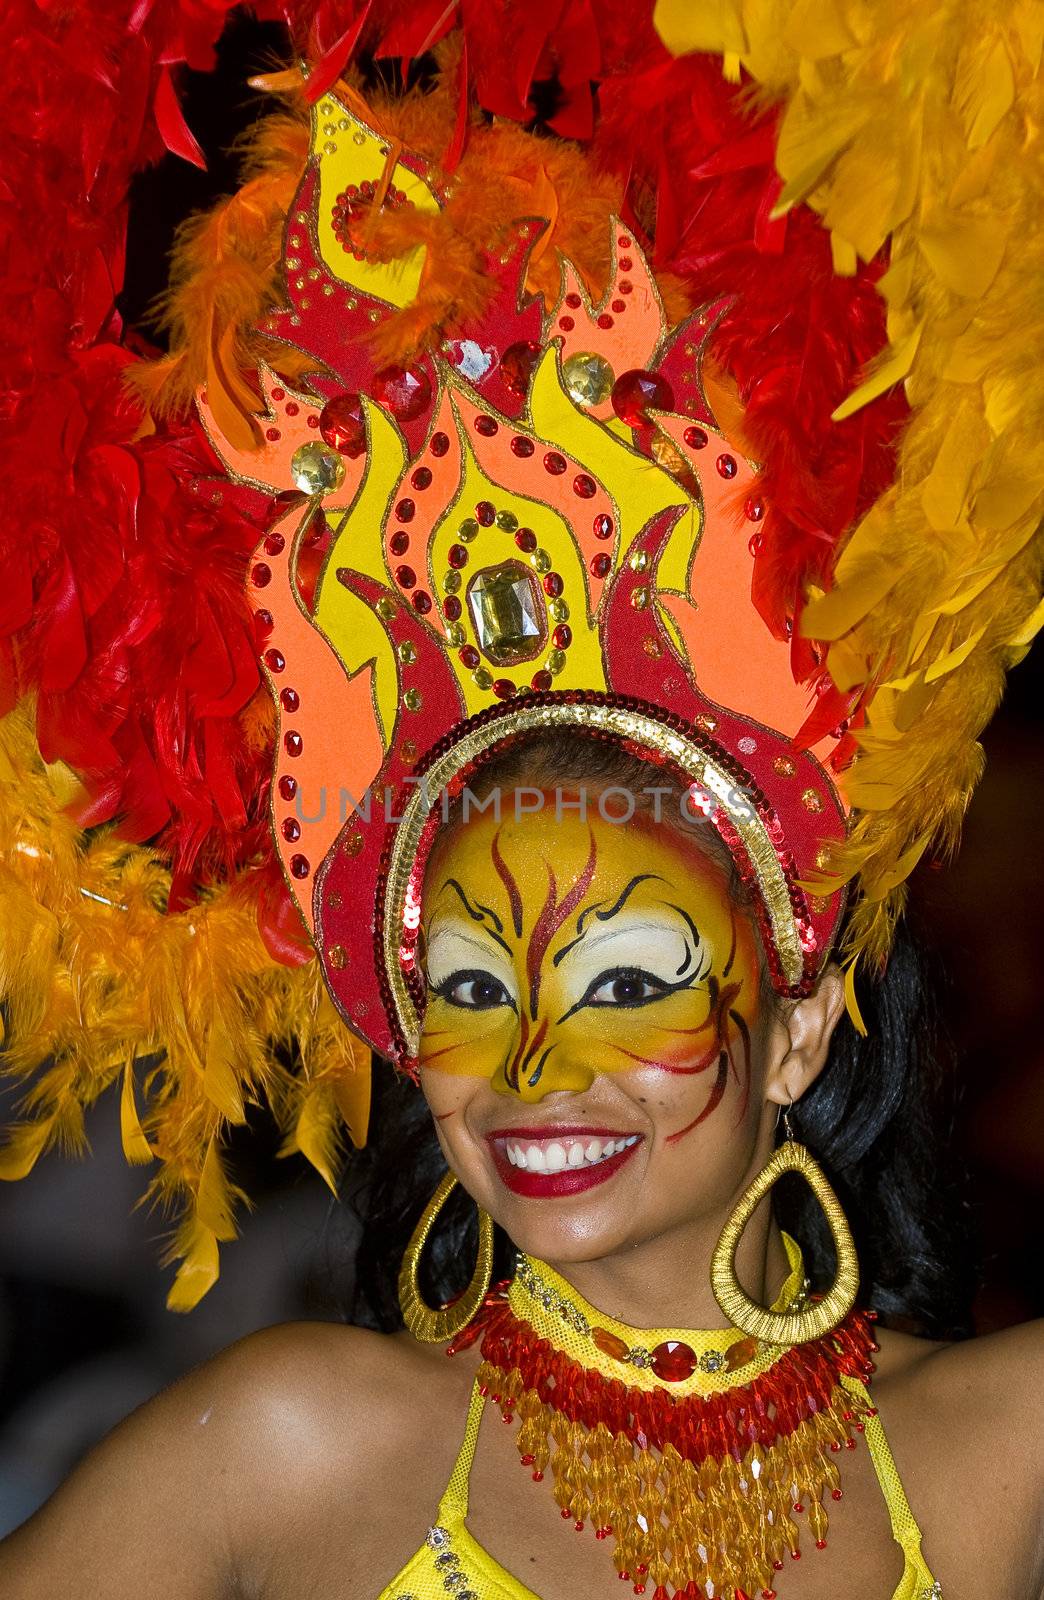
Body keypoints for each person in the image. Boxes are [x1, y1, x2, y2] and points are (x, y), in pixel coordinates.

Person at [1, 4, 1042, 1597]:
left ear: (807, 1018)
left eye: (629, 983)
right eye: (474, 991)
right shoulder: (292, 1450)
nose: (538, 1072)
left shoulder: (1006, 1448)